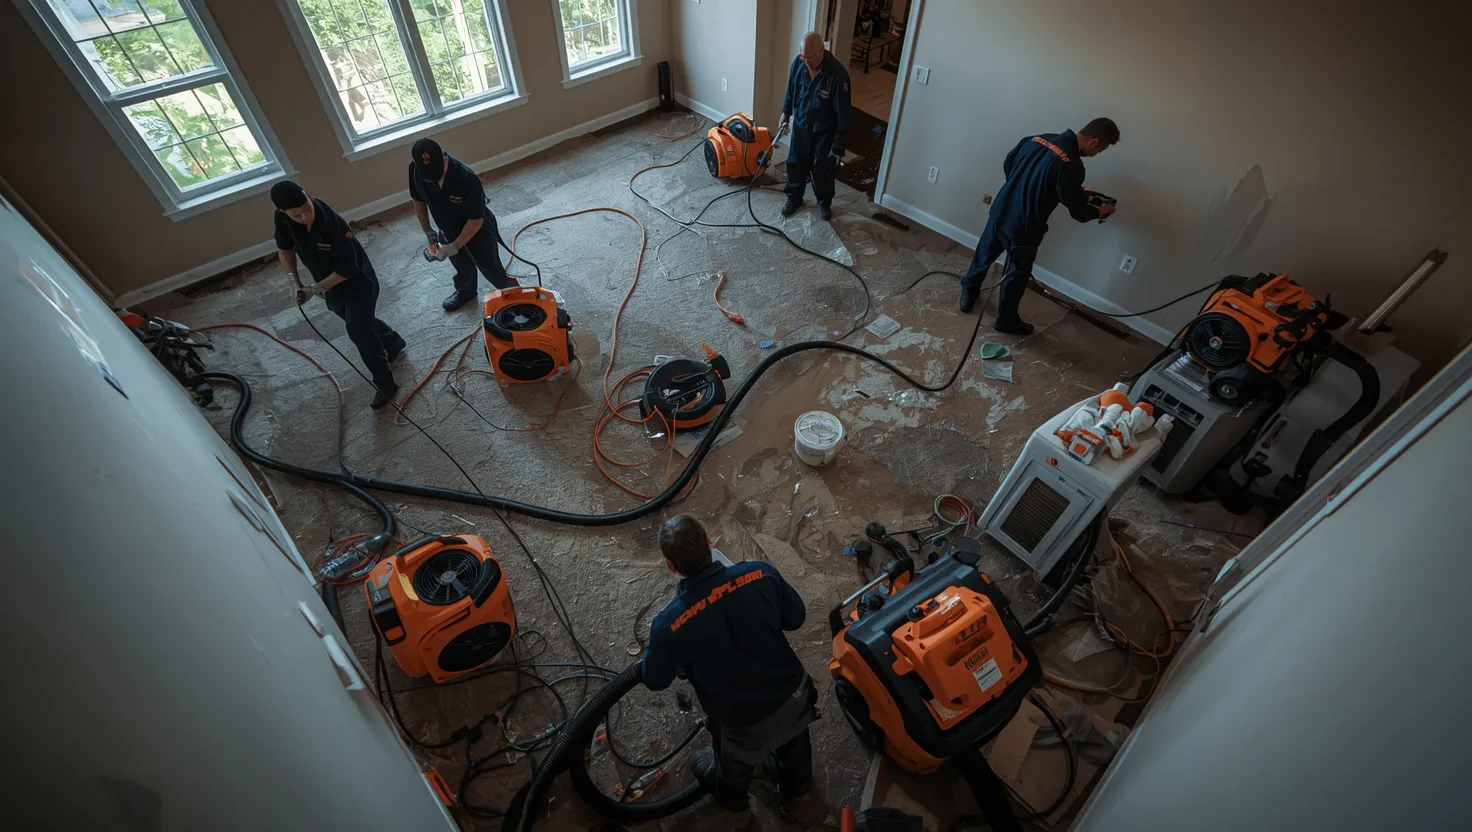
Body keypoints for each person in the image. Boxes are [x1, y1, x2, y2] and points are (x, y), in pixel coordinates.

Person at [642, 514, 818, 812]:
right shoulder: (761, 574)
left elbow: (655, 679)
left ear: (671, 567)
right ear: (709, 542)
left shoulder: (668, 627)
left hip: (742, 724)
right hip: (795, 697)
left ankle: (733, 799)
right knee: (795, 744)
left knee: (723, 766)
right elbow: (796, 617)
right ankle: (797, 788)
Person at [958, 118, 1121, 336]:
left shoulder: (1038, 138)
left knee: (985, 251)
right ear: (1093, 142)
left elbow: (1010, 164)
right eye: (1101, 149)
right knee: (1016, 275)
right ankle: (1006, 320)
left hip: (1001, 208)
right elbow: (1079, 213)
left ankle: (969, 288)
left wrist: (1069, 190)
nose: (1097, 154)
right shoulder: (1072, 165)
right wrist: (1102, 211)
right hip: (1025, 227)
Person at [272, 181, 405, 409]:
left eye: (307, 209)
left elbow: (348, 269)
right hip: (331, 287)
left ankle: (386, 383)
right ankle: (393, 341)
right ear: (284, 213)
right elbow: (284, 248)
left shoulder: (332, 224)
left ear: (310, 196)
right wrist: (293, 280)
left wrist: (314, 289)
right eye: (297, 215)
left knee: (358, 332)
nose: (304, 217)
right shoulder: (283, 218)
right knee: (359, 322)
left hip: (357, 283)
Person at [408, 137, 517, 311]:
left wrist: (454, 246)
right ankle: (466, 291)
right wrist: (429, 232)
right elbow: (418, 201)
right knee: (461, 265)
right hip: (447, 228)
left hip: (478, 231)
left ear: (443, 159)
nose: (431, 180)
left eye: (435, 174)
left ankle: (512, 293)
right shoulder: (415, 170)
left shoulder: (466, 178)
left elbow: (476, 220)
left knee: (490, 267)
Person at [778, 32, 852, 222]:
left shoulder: (837, 75)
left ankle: (823, 202)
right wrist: (785, 113)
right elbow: (791, 90)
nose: (806, 62)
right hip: (801, 127)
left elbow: (843, 114)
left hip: (824, 133)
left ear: (822, 51)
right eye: (803, 57)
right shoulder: (798, 64)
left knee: (823, 170)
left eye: (810, 58)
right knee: (796, 163)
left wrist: (839, 146)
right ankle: (794, 197)